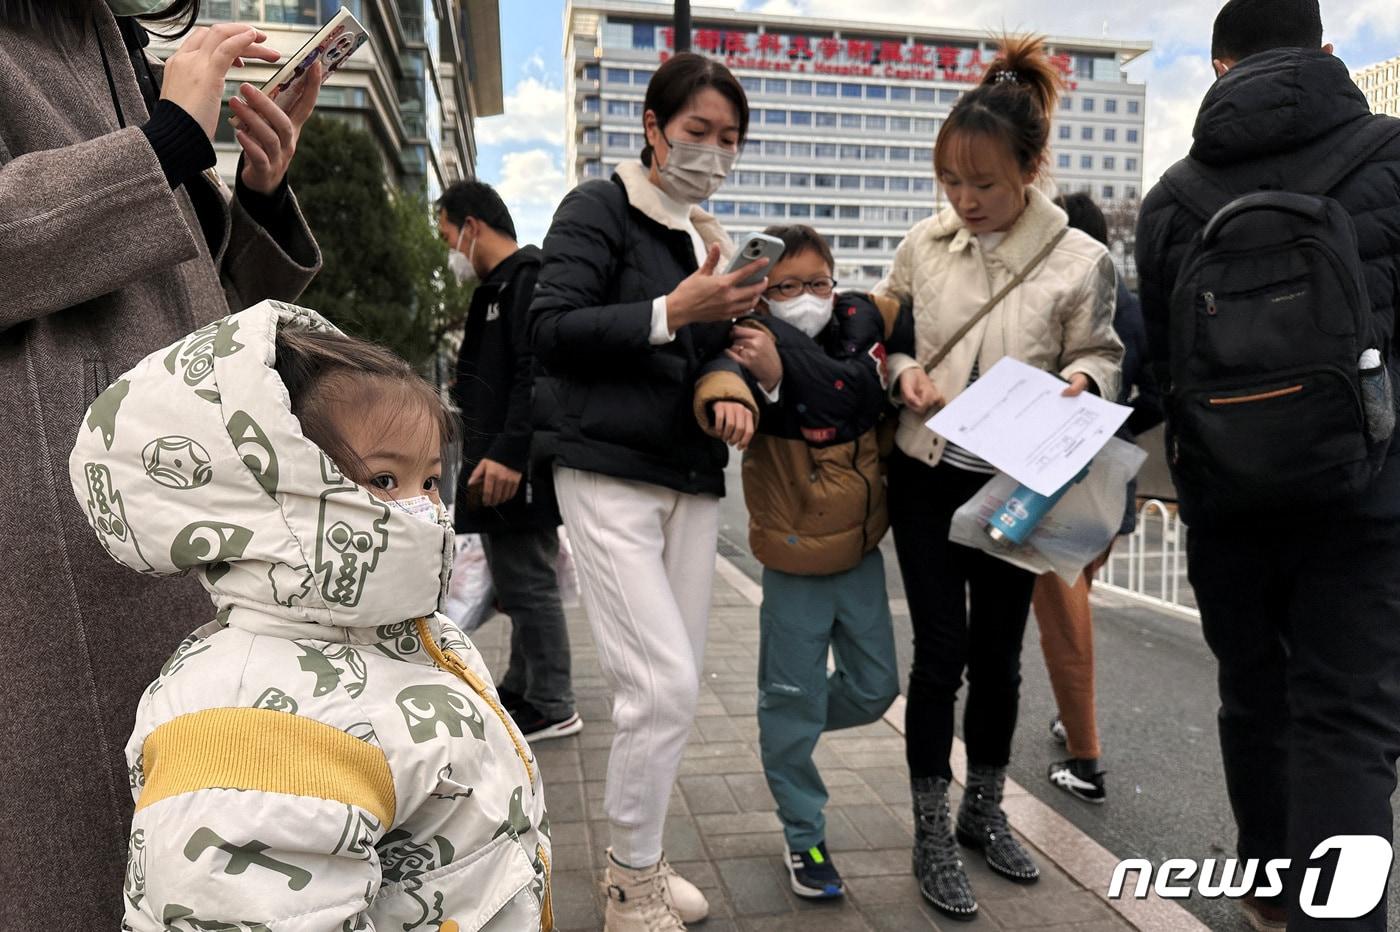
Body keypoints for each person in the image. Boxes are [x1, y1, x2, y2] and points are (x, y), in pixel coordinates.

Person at [69, 301, 553, 930]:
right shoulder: (243, 720)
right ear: (269, 497)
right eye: (383, 481)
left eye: (430, 480)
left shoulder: (410, 633)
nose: (425, 510)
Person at [0, 1, 321, 924]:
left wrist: (258, 191)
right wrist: (167, 141)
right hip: (58, 527)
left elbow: (201, 316)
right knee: (88, 849)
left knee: (207, 824)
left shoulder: (108, 38)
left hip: (183, 518)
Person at [1135, 1, 1400, 928]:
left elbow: (1163, 369)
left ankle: (1271, 896)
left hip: (1228, 500)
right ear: (1325, 52)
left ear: (1217, 67)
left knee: (1255, 696)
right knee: (1349, 723)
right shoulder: (1395, 156)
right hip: (1367, 496)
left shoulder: (1172, 198)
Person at [874, 35, 1123, 922]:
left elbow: (1102, 350)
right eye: (951, 180)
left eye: (983, 182)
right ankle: (931, 826)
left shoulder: (1080, 260)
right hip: (931, 474)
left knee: (1001, 658)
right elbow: (887, 335)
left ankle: (984, 809)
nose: (965, 200)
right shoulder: (923, 245)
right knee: (940, 652)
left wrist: (1085, 381)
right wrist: (900, 373)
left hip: (1021, 485)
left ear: (1031, 168)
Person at [530, 50, 767, 932]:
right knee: (657, 686)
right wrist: (677, 310)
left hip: (692, 480)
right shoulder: (598, 208)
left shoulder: (707, 236)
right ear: (653, 127)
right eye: (697, 131)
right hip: (606, 472)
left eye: (729, 139)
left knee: (678, 686)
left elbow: (706, 362)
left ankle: (647, 864)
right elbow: (551, 328)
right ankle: (631, 889)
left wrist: (736, 370)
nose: (712, 151)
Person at [692, 225, 903, 900]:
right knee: (791, 709)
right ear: (762, 289)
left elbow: (869, 385)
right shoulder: (748, 340)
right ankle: (804, 835)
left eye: (817, 282)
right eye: (786, 286)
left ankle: (787, 723)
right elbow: (724, 370)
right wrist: (728, 392)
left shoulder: (858, 334)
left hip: (861, 554)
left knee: (875, 690)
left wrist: (789, 362)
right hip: (792, 564)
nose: (805, 297)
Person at [436, 179, 581, 743]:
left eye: (448, 233)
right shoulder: (491, 290)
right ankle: (525, 687)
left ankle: (554, 699)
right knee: (518, 583)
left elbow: (534, 373)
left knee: (531, 580)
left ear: (471, 225)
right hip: (491, 463)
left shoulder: (528, 279)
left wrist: (510, 454)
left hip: (513, 464)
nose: (449, 248)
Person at [1033, 193, 1163, 806]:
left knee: (1063, 615)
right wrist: (1122, 423)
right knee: (1078, 599)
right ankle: (1072, 716)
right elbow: (1159, 390)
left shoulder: (1066, 303)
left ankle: (1086, 759)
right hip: (1115, 470)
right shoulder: (1129, 304)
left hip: (1063, 471)